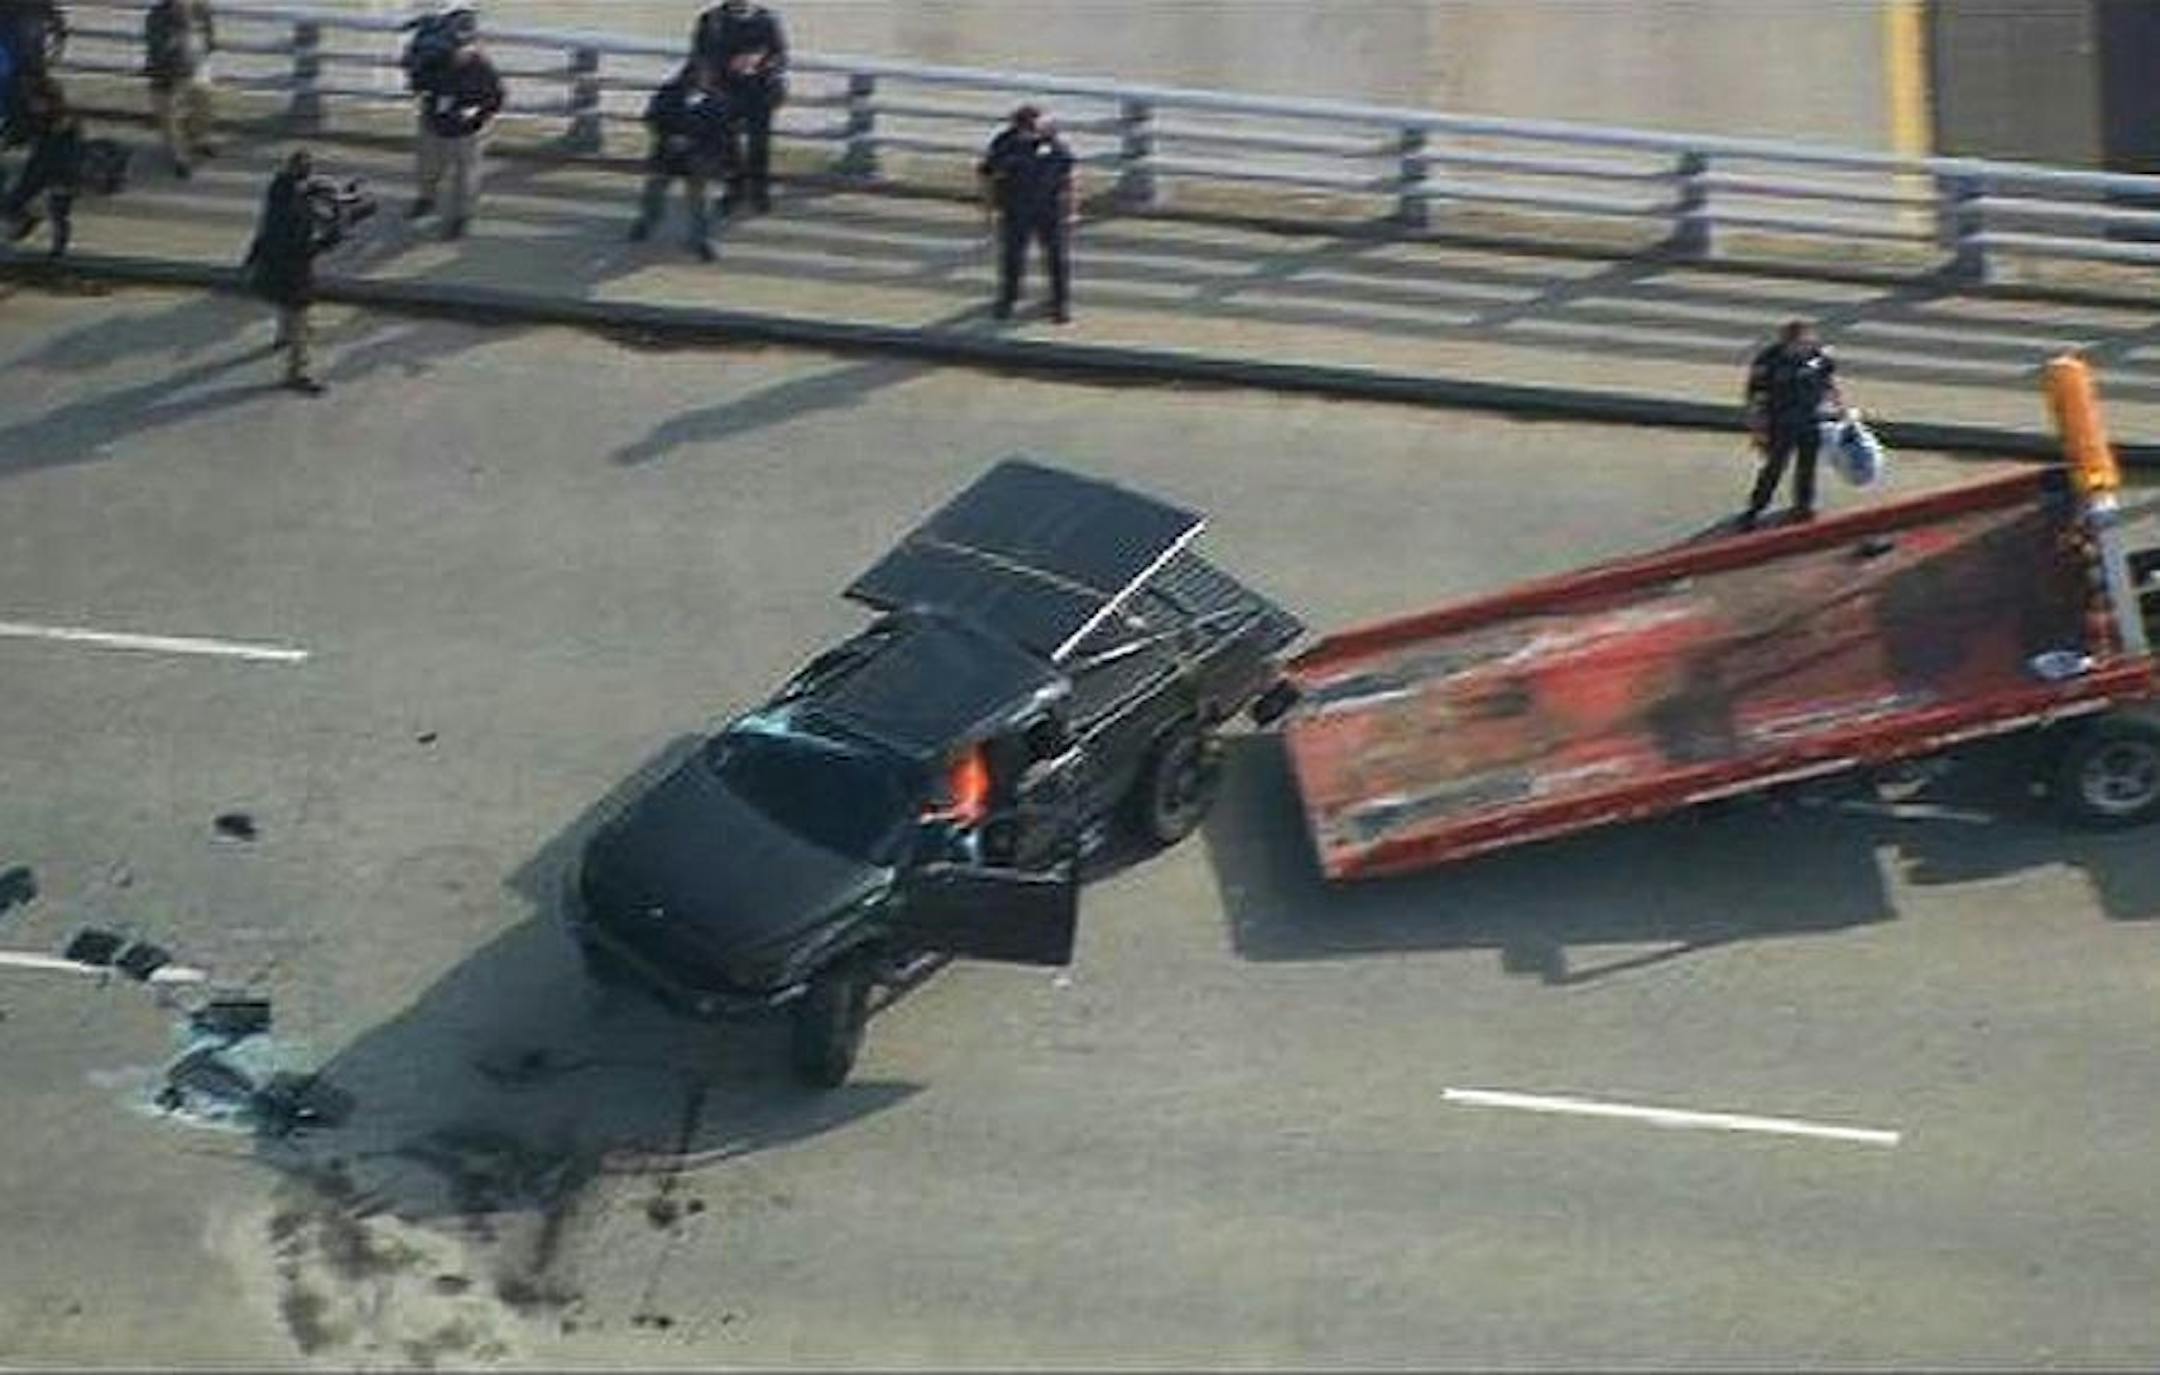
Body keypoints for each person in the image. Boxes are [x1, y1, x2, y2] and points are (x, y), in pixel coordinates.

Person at [243, 149, 344, 394]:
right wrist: (329, 239)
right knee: (299, 316)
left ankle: (282, 336)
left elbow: (265, 230)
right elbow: (304, 248)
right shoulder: (298, 212)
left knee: (284, 306)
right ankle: (297, 371)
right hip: (294, 274)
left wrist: (251, 259)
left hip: (271, 265)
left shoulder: (278, 194)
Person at [1739, 317, 1844, 530]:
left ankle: (1803, 506)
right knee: (1775, 467)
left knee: (1807, 466)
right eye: (1800, 344)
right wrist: (1757, 430)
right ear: (1787, 343)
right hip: (1779, 422)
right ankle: (1756, 508)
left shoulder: (1818, 357)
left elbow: (1829, 383)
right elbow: (1756, 398)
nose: (1805, 348)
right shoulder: (1768, 361)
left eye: (1808, 343)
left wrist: (1840, 408)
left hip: (1810, 419)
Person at [406, 9, 501, 241]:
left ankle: (461, 217)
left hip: (466, 130)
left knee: (464, 177)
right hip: (433, 123)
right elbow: (417, 82)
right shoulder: (433, 57)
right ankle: (426, 199)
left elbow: (495, 98)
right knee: (427, 169)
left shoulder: (481, 67)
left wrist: (475, 118)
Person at [978, 104, 1075, 323]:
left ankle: (1060, 302)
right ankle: (1008, 299)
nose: (1030, 132)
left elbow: (1069, 178)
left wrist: (1071, 210)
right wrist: (988, 208)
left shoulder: (1053, 144)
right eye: (1026, 127)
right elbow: (987, 176)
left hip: (1049, 209)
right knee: (1012, 256)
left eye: (1035, 127)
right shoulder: (1005, 144)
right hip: (1015, 208)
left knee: (1056, 258)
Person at [630, 58, 732, 261]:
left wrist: (696, 144)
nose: (701, 80)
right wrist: (669, 136)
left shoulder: (717, 101)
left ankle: (700, 239)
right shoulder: (669, 94)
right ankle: (647, 223)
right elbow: (652, 118)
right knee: (654, 191)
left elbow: (721, 133)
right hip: (668, 153)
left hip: (698, 157)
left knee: (699, 200)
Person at [691, 0, 784, 214]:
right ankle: (734, 189)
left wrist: (758, 62)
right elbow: (699, 55)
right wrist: (719, 71)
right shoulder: (711, 20)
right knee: (727, 143)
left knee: (759, 144)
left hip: (759, 90)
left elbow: (779, 54)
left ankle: (759, 192)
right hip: (725, 90)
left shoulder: (766, 18)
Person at [2, 72, 80, 258]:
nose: (35, 106)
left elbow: (66, 143)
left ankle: (58, 248)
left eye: (38, 102)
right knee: (14, 201)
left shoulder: (64, 121)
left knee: (59, 211)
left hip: (61, 170)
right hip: (39, 169)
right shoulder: (31, 118)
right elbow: (15, 136)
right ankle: (23, 224)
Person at [144, 0, 215, 178]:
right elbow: (158, 48)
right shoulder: (158, 15)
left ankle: (198, 140)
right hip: (168, 73)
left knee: (202, 108)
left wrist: (202, 55)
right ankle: (180, 157)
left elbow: (209, 39)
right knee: (170, 119)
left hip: (197, 68)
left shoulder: (202, 9)